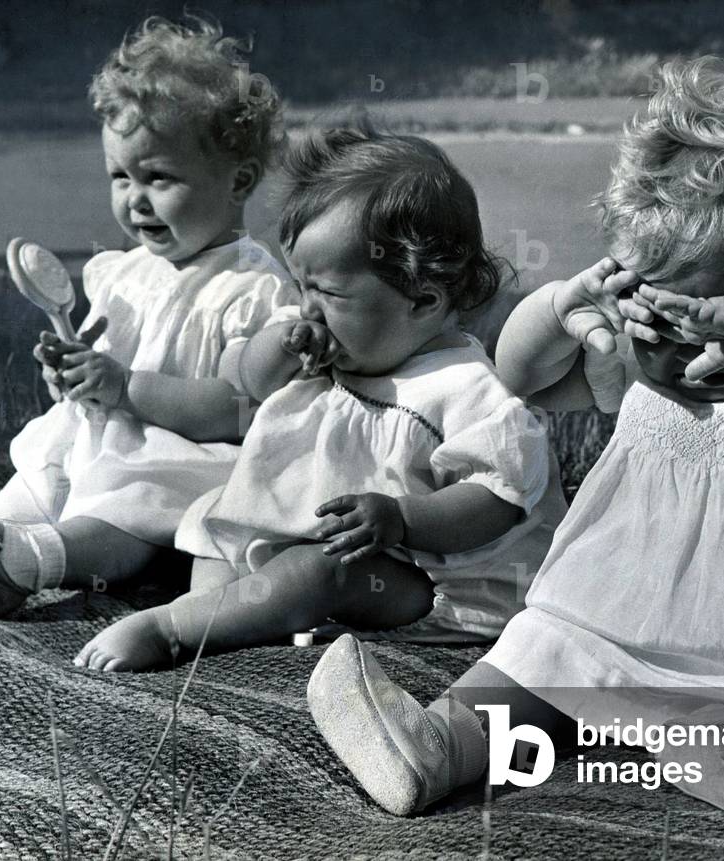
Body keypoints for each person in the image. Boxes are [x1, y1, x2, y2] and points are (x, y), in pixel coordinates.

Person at [306, 58, 724, 818]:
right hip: (647, 634)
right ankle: (443, 741)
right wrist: (563, 305)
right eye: (666, 322)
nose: (696, 351)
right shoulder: (644, 373)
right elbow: (517, 372)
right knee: (549, 644)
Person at [73, 123, 567, 672]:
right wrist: (279, 347)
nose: (307, 307)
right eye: (300, 284)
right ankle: (212, 613)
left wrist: (404, 519)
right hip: (322, 536)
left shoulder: (465, 389)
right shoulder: (325, 340)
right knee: (213, 521)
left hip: (431, 582)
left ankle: (175, 629)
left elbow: (494, 500)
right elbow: (243, 378)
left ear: (422, 300)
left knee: (320, 572)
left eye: (328, 292)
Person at [0, 15, 293, 617]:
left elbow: (241, 412)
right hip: (102, 438)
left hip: (184, 459)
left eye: (158, 177)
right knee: (43, 467)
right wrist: (73, 376)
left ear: (238, 181)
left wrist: (127, 389)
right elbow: (98, 372)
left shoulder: (252, 288)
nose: (134, 199)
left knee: (134, 497)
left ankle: (33, 559)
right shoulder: (123, 273)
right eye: (120, 176)